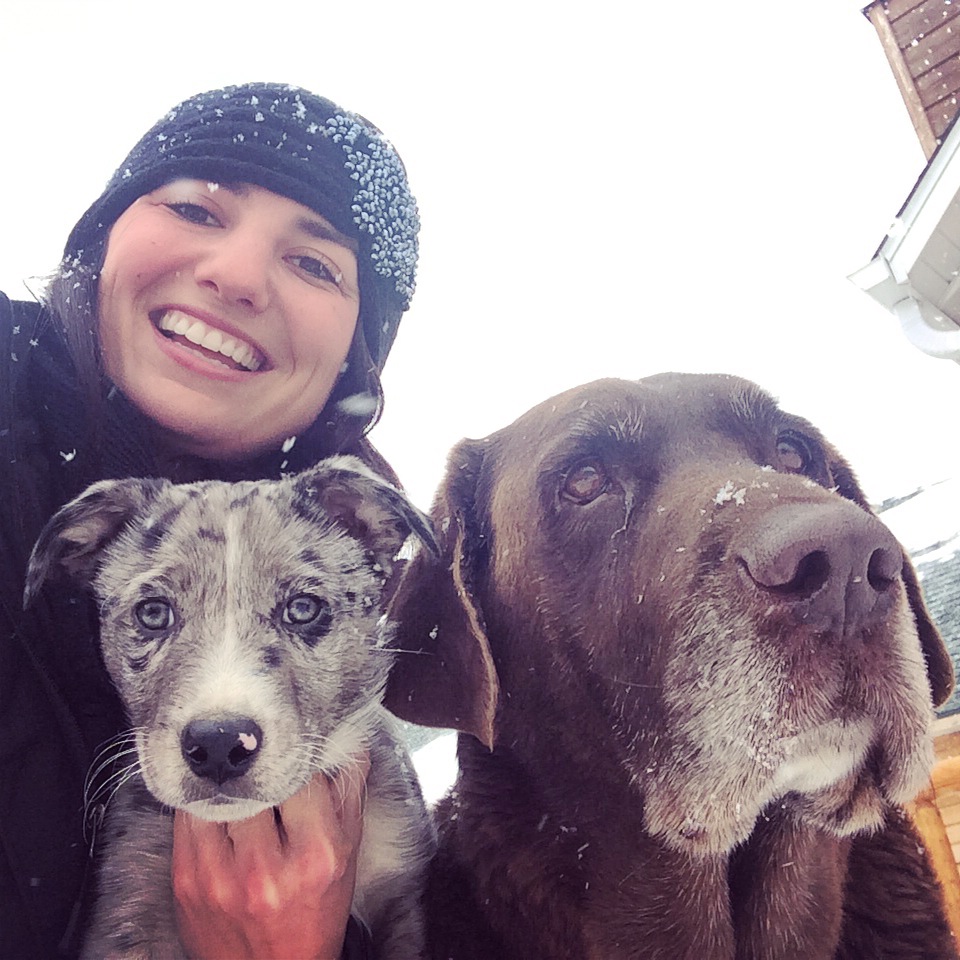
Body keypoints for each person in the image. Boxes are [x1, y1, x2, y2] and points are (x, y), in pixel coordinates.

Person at [0, 81, 420, 959]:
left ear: (354, 357)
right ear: (104, 235)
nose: (235, 276)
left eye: (314, 263)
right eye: (195, 208)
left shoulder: (323, 521)